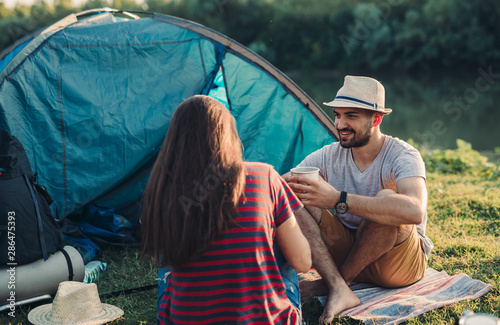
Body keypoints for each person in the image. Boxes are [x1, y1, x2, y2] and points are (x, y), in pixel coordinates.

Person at [141, 95, 311, 325]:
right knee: (278, 239)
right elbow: (302, 262)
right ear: (227, 134)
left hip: (184, 319)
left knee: (172, 252)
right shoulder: (265, 176)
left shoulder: (162, 190)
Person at [284, 76, 433, 324]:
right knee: (294, 193)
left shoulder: (402, 154)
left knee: (387, 200)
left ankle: (331, 284)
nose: (340, 124)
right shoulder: (329, 155)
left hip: (397, 264)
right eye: (338, 115)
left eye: (351, 116)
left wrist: (337, 199)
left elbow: (415, 210)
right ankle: (339, 286)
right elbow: (278, 185)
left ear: (376, 119)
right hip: (350, 250)